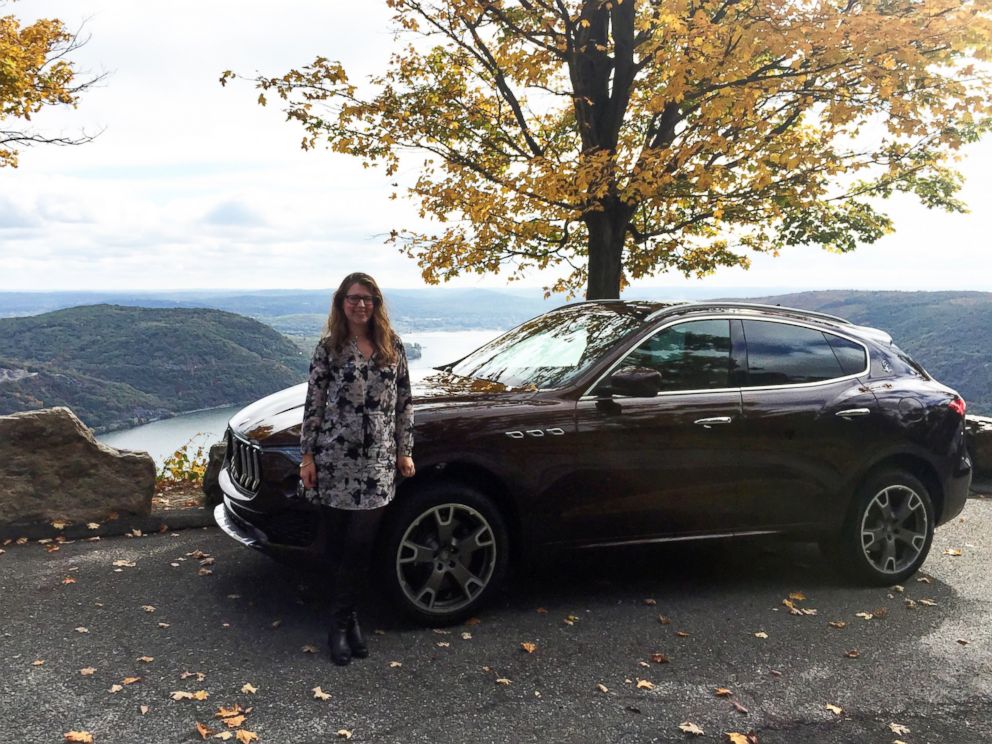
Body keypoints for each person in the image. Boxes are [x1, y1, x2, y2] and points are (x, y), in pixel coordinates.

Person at [299, 272, 415, 665]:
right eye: (353, 298)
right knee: (337, 544)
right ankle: (342, 623)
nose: (360, 304)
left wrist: (405, 451)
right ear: (341, 303)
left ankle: (347, 620)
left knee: (362, 545)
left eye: (367, 298)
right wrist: (308, 457)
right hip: (335, 460)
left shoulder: (391, 346)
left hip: (379, 463)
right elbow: (313, 404)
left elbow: (404, 404)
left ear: (376, 303)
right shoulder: (328, 349)